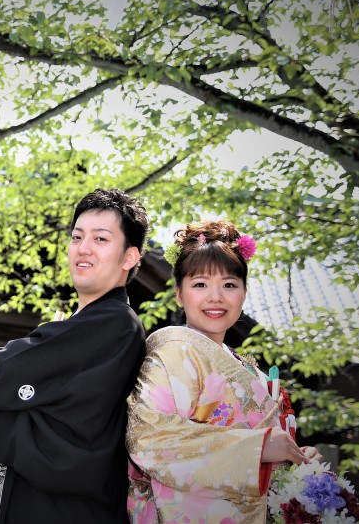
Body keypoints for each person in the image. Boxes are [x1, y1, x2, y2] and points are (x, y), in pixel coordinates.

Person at [0, 188, 150, 523]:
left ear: (129, 257)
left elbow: (13, 365)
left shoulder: (118, 323)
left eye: (101, 239)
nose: (83, 248)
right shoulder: (86, 321)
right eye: (77, 237)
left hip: (63, 508)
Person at [125, 219, 322, 523]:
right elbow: (149, 439)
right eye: (200, 284)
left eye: (229, 285)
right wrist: (256, 448)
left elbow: (268, 453)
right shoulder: (173, 350)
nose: (215, 297)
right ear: (179, 293)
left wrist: (294, 460)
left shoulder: (249, 369)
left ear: (244, 293)